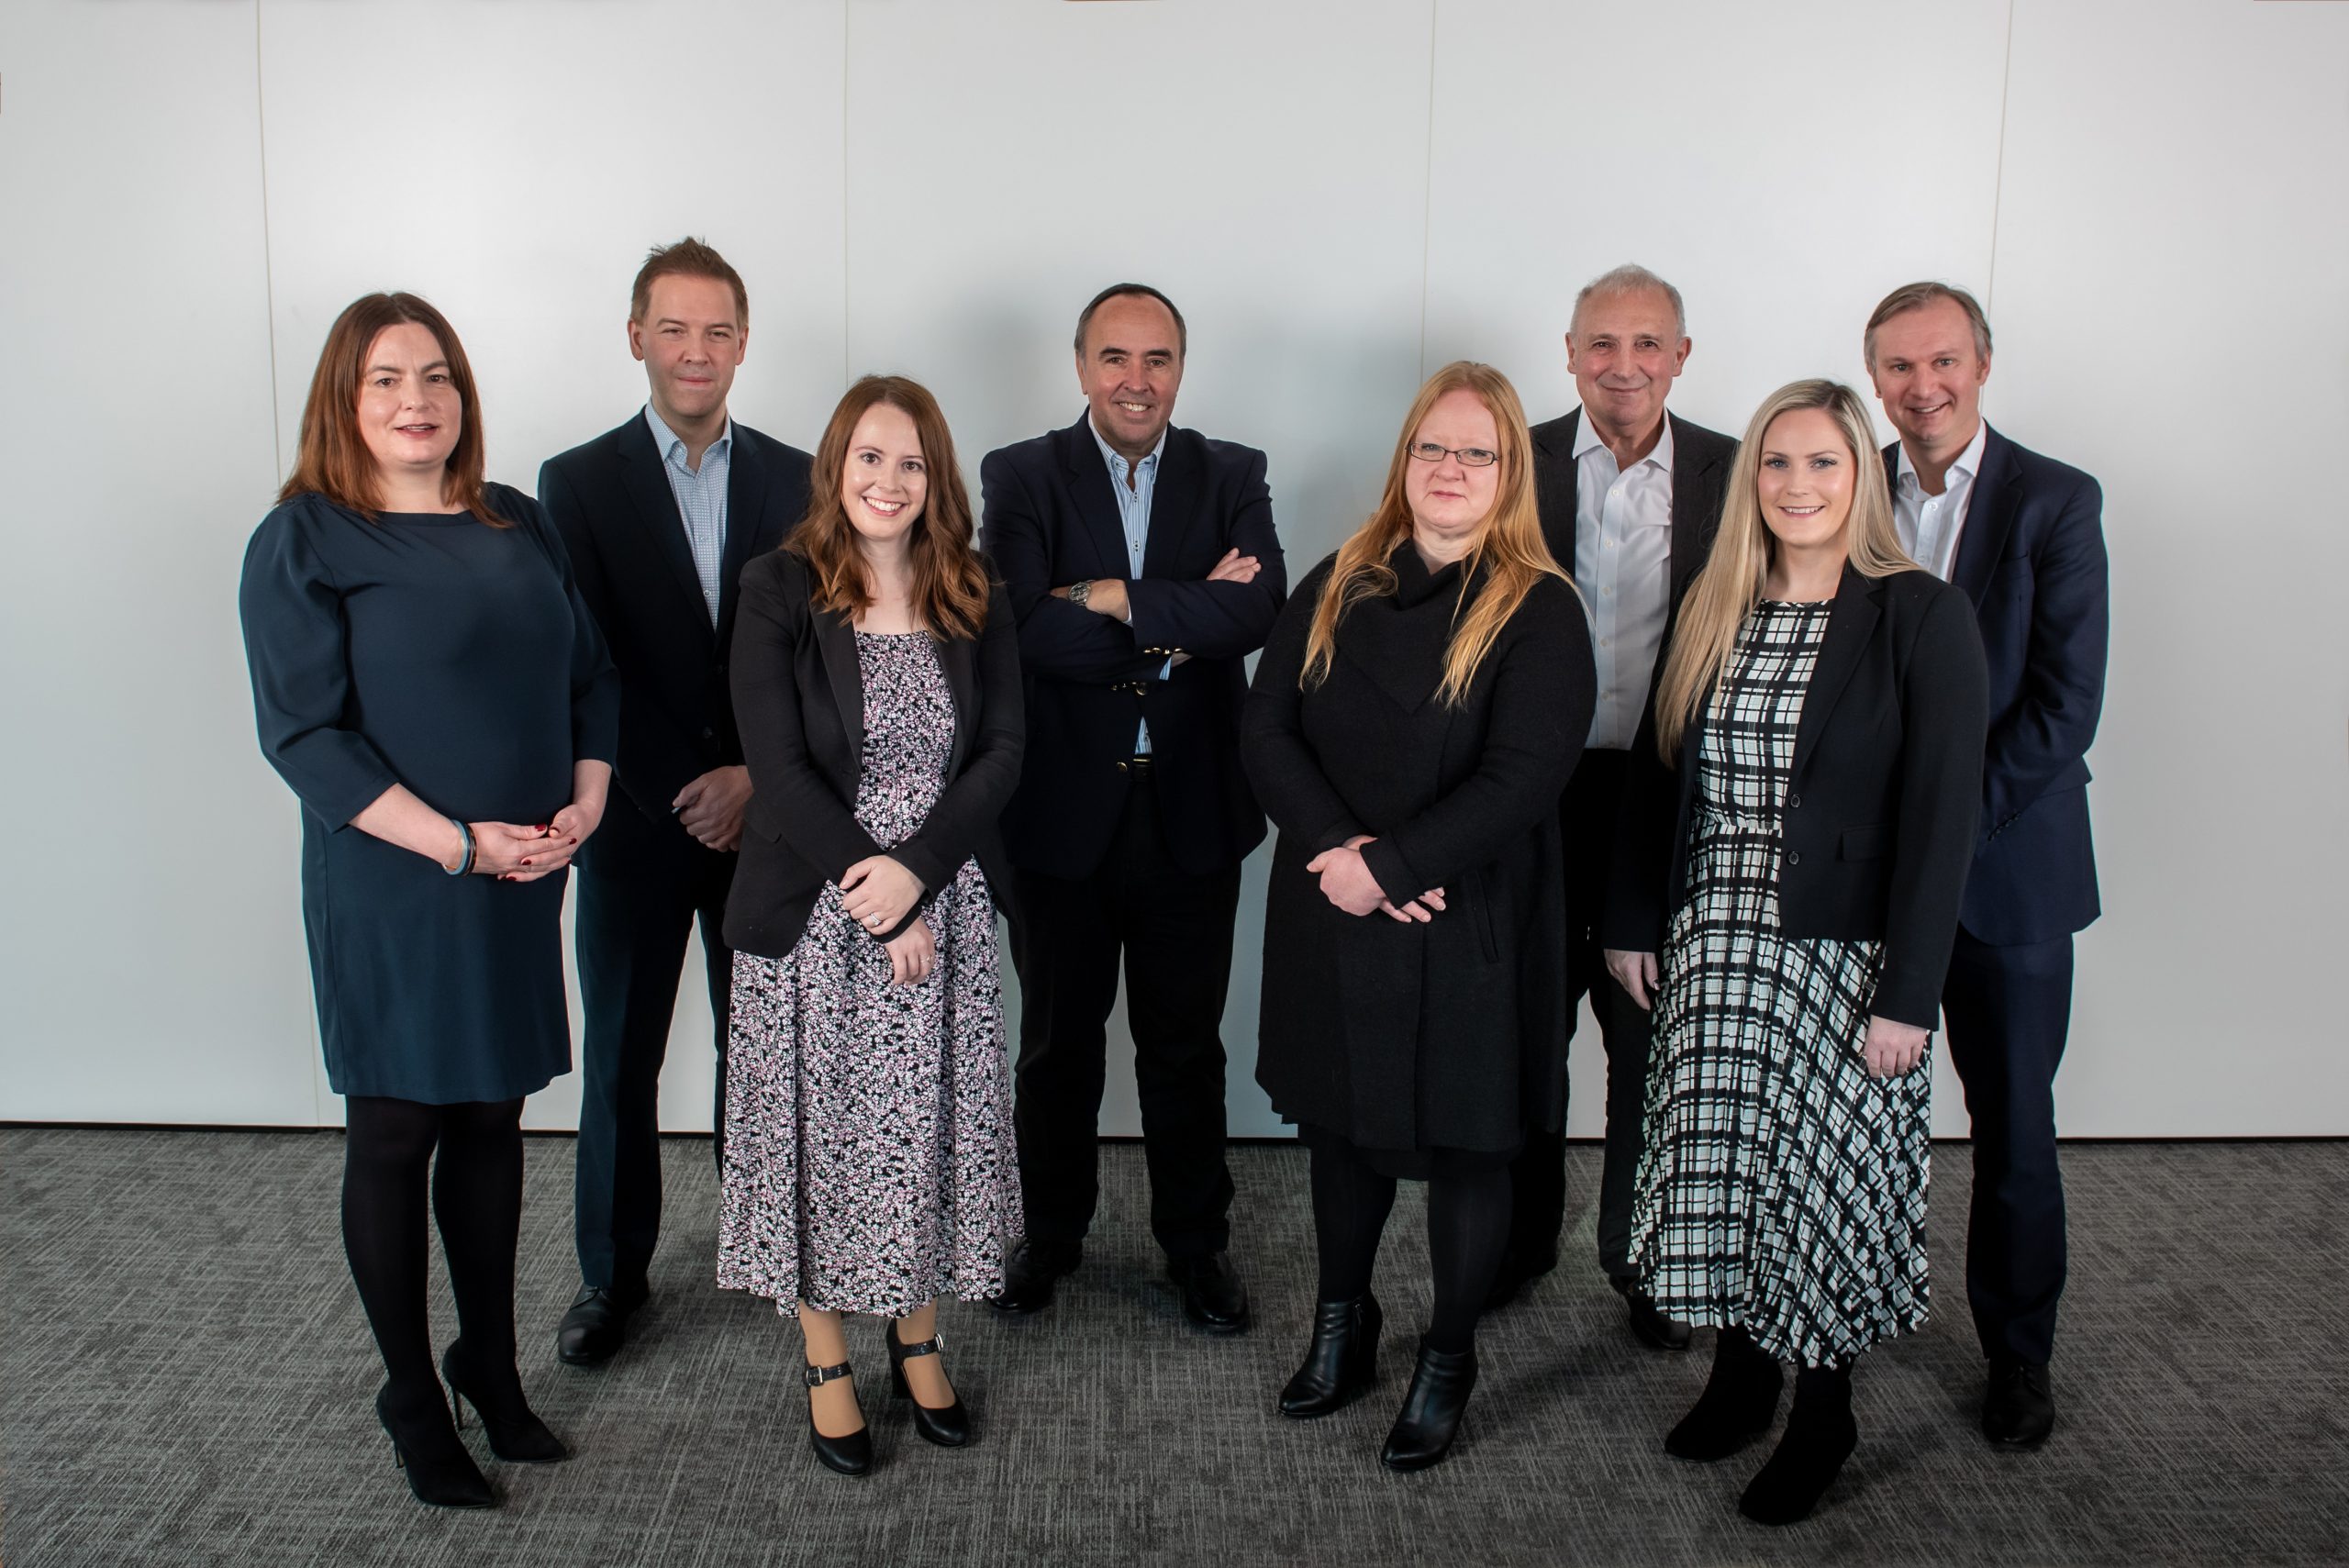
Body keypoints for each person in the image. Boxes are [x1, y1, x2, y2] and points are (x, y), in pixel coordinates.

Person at [238, 293, 618, 1509]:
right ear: (344, 401)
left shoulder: (518, 520)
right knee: (397, 1129)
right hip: (397, 881)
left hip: (521, 874)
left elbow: (590, 675)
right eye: (389, 378)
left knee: (494, 1119)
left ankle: (488, 1366)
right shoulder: (304, 537)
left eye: (438, 374)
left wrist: (588, 801)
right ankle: (411, 1392)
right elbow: (304, 736)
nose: (419, 399)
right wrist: (457, 846)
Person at [1603, 378, 1987, 1524]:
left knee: (1817, 1187)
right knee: (1724, 1164)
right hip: (1715, 938)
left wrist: (1909, 993)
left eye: (1823, 461)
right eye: (1776, 462)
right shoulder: (1715, 601)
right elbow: (1656, 773)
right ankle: (1741, 1371)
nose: (1797, 484)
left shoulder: (1918, 613)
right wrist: (1631, 918)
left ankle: (1824, 1408)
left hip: (1844, 955)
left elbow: (1941, 819)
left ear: (1861, 475)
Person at [1243, 361, 1595, 1471]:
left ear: (1509, 472)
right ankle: (1342, 1323)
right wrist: (1341, 854)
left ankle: (1447, 1355)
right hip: (1334, 904)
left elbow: (1524, 775)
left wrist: (1393, 864)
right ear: (1404, 460)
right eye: (1431, 448)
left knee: (1468, 1144)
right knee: (1340, 1128)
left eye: (1475, 453)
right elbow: (1266, 729)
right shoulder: (1339, 578)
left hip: (1470, 917)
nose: (1449, 469)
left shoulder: (1540, 606)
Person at [715, 375, 1023, 1476]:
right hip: (816, 910)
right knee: (821, 1139)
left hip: (944, 904)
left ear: (936, 479)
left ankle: (918, 1337)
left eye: (912, 463)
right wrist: (875, 891)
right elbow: (777, 765)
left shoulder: (973, 589)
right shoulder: (780, 585)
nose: (889, 481)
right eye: (870, 458)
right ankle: (825, 1356)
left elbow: (1003, 751)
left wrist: (919, 877)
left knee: (928, 1130)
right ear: (835, 465)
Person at [978, 284, 1285, 1331]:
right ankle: (1050, 1235)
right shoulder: (1021, 474)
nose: (1136, 380)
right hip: (1059, 813)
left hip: (1189, 811)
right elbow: (1018, 629)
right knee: (1056, 1047)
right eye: (1115, 357)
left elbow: (1258, 609)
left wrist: (1107, 596)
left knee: (1185, 1049)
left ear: (1181, 369)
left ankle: (1196, 1247)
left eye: (1157, 359)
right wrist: (1178, 618)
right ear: (1081, 367)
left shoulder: (1231, 471)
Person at [538, 239, 814, 1367]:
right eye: (674, 328)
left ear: (743, 344)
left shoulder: (800, 477)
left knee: (766, 1050)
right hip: (636, 822)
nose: (695, 351)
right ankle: (611, 1276)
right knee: (622, 1056)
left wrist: (754, 776)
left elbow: (813, 655)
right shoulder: (576, 482)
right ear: (636, 338)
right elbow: (585, 657)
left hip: (768, 820)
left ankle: (770, 1249)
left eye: (717, 330)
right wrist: (681, 788)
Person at [1864, 282, 2109, 1448]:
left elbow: (2065, 706)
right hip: (1863, 874)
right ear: (1874, 378)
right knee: (1852, 1120)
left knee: (2012, 1123)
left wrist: (1941, 829)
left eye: (1943, 360)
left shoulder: (2055, 499)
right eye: (1899, 365)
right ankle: (1839, 1318)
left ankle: (2019, 1353)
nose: (1923, 386)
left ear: (1982, 363)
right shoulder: (1840, 483)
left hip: (2007, 872)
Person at [1496, 264, 1736, 1352]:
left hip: (1667, 794)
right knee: (1526, 1030)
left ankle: (1637, 1255)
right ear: (1569, 352)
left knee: (1648, 1037)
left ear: (1680, 355)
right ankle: (1520, 1239)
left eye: (1646, 343)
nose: (1623, 364)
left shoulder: (1739, 470)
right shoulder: (1516, 459)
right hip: (1533, 794)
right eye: (1601, 342)